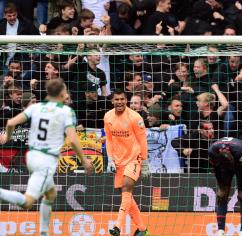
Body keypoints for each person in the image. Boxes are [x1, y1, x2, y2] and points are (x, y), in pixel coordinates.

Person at [0, 79, 93, 236]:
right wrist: (84, 160)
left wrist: (6, 137)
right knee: (28, 202)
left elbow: (10, 122)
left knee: (50, 194)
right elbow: (72, 138)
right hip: (46, 161)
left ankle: (44, 232)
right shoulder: (65, 111)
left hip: (32, 156)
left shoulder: (36, 107)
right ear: (62, 93)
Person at [103, 89, 150, 236]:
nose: (119, 102)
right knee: (126, 196)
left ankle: (117, 225)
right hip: (118, 161)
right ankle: (142, 229)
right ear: (112, 101)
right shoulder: (108, 116)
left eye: (122, 99)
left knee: (127, 187)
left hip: (134, 158)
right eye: (116, 99)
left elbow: (142, 140)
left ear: (126, 100)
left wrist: (145, 161)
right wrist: (110, 159)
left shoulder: (135, 117)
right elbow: (109, 139)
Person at [208, 137, 242, 236]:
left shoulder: (239, 151)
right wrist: (221, 187)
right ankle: (221, 231)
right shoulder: (212, 152)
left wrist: (241, 188)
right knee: (222, 194)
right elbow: (216, 169)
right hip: (223, 165)